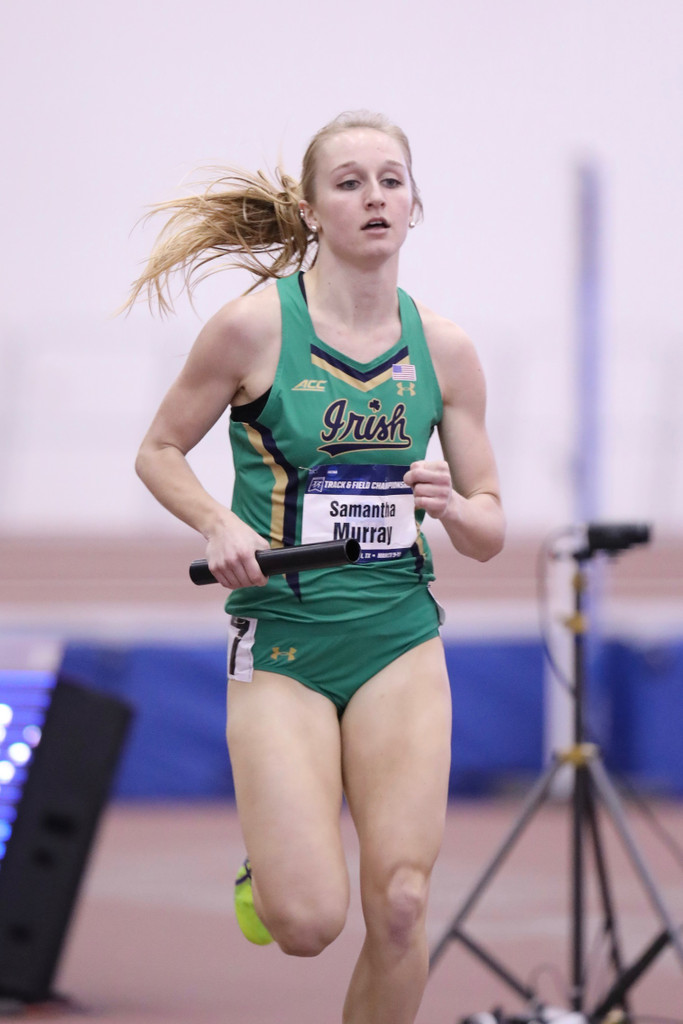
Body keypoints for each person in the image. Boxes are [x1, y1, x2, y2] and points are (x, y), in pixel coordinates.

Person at [130, 110, 505, 1024]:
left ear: (417, 204)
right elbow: (158, 451)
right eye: (349, 182)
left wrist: (456, 506)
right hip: (285, 641)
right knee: (306, 921)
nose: (373, 196)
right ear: (311, 209)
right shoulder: (252, 330)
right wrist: (217, 521)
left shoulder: (444, 349)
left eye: (390, 179)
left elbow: (491, 525)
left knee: (403, 904)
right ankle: (271, 859)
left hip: (398, 638)